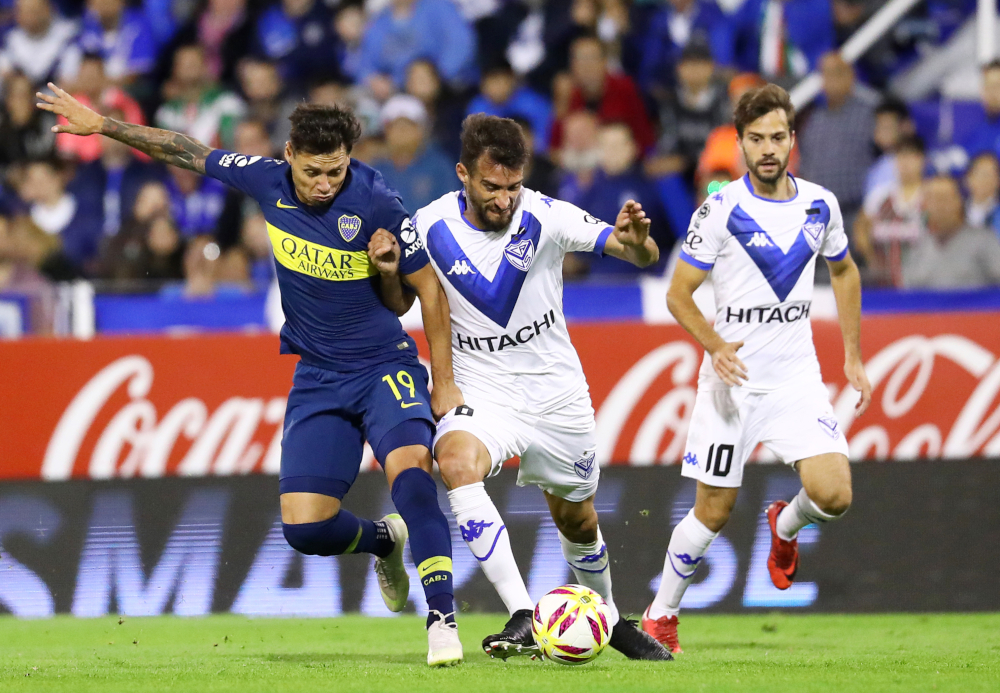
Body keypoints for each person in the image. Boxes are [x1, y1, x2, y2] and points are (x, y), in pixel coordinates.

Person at [38, 82, 466, 666]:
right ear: (289, 155)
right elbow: (183, 148)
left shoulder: (378, 201)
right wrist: (106, 125)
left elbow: (428, 293)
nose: (325, 184)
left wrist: (442, 380)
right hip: (317, 375)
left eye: (336, 171)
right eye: (314, 171)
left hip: (383, 365)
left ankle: (441, 618)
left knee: (413, 476)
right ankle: (384, 540)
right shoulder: (265, 179)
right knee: (305, 528)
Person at [412, 113, 672, 662]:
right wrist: (444, 381)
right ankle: (523, 612)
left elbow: (633, 252)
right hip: (483, 392)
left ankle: (609, 619)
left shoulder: (546, 215)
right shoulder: (429, 226)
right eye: (491, 187)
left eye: (512, 187)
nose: (505, 200)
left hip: (556, 395)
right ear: (462, 174)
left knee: (577, 519)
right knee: (455, 462)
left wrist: (640, 245)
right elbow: (411, 297)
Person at [642, 84, 872, 653]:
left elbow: (843, 272)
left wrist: (853, 355)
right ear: (740, 143)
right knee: (713, 512)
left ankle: (784, 526)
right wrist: (715, 344)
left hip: (795, 378)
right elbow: (679, 294)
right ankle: (660, 614)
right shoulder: (719, 209)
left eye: (777, 137)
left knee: (835, 494)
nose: (768, 149)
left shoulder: (821, 205)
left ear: (793, 139)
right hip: (731, 384)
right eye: (755, 139)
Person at [902, 174, 1000, 289]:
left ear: (959, 201)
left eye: (943, 198)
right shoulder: (919, 246)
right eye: (931, 199)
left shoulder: (984, 241)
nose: (938, 205)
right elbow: (909, 293)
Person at [853, 135, 926, 287]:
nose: (905, 163)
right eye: (900, 157)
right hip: (883, 283)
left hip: (922, 282)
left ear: (922, 160)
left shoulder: (930, 196)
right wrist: (872, 259)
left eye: (911, 156)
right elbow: (860, 229)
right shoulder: (880, 196)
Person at [965, 151, 1000, 238]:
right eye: (981, 174)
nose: (985, 180)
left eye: (990, 175)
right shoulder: (956, 212)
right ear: (968, 178)